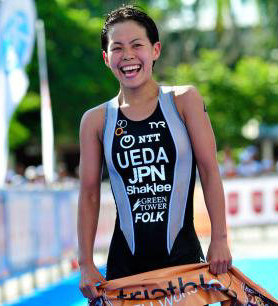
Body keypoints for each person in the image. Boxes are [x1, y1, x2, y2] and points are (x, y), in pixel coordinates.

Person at [77, 5, 232, 301]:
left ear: (156, 50)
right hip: (125, 268)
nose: (128, 56)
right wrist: (85, 263)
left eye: (137, 45)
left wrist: (220, 239)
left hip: (183, 261)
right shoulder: (96, 120)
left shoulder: (184, 101)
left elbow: (210, 171)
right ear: (106, 58)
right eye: (117, 48)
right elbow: (88, 194)